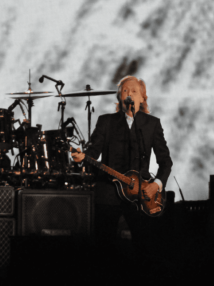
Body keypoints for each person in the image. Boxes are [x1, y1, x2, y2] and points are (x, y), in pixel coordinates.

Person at [71, 75, 173, 260]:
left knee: (144, 248)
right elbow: (92, 152)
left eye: (134, 91)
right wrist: (81, 158)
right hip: (108, 193)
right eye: (125, 90)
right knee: (104, 249)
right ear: (119, 97)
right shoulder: (106, 121)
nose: (129, 94)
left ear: (142, 98)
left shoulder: (152, 124)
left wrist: (156, 185)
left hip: (141, 195)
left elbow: (165, 161)